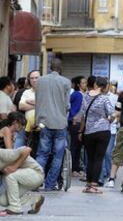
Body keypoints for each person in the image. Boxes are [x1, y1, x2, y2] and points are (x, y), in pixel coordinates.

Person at [0, 144, 45, 215]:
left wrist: (14, 166)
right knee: (3, 201)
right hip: (24, 179)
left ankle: (15, 208)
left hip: (36, 174)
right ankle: (35, 199)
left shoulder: (2, 154)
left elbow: (27, 150)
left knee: (10, 175)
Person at [35, 59, 71, 191]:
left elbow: (38, 101)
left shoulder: (40, 81)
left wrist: (37, 121)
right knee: (58, 155)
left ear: (50, 67)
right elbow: (67, 105)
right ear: (60, 68)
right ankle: (50, 185)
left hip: (44, 122)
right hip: (60, 123)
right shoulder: (66, 82)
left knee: (42, 154)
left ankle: (36, 182)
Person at [79, 77, 115, 194]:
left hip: (89, 132)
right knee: (99, 158)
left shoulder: (85, 96)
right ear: (105, 87)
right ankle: (94, 184)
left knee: (90, 158)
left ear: (95, 84)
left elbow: (83, 115)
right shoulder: (105, 98)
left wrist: (81, 131)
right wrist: (110, 119)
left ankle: (89, 183)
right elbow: (111, 114)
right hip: (103, 131)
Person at [99, 81, 119, 185]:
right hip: (100, 128)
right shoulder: (97, 96)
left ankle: (109, 173)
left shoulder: (115, 97)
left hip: (111, 128)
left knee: (108, 152)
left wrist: (114, 118)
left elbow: (118, 111)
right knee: (101, 153)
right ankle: (102, 176)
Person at [16, 70, 41, 149]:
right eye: (32, 78)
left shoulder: (45, 91)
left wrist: (31, 102)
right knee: (21, 145)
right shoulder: (27, 92)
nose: (34, 80)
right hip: (27, 127)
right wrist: (38, 105)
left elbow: (47, 105)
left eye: (36, 78)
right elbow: (21, 106)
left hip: (42, 126)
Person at [68, 76, 87, 177]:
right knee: (75, 146)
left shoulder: (83, 94)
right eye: (83, 83)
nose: (85, 84)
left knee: (79, 146)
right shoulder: (76, 94)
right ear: (78, 85)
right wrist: (72, 117)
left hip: (81, 123)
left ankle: (77, 167)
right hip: (76, 123)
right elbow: (71, 107)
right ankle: (73, 168)